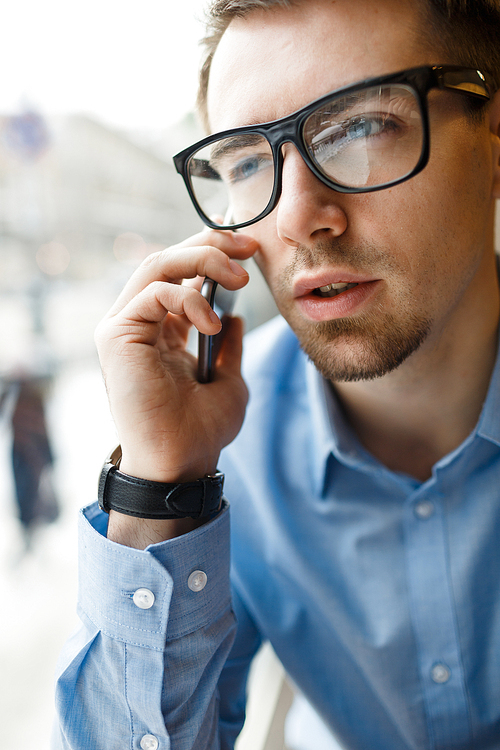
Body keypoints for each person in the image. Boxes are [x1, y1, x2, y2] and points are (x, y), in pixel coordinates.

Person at [52, 0, 500, 748]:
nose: (298, 217)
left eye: (359, 127)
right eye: (250, 162)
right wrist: (162, 486)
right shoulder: (231, 453)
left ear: (493, 143)